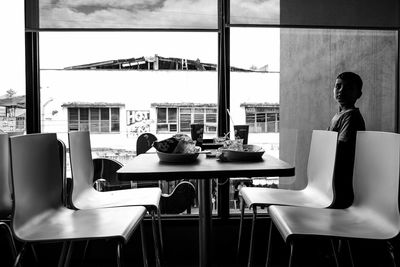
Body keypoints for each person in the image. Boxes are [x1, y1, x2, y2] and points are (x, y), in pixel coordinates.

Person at [328, 71, 365, 209]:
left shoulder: (351, 116)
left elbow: (341, 149)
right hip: (334, 179)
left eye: (349, 88)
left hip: (342, 182)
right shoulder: (339, 115)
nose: (341, 91)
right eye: (338, 86)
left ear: (358, 94)